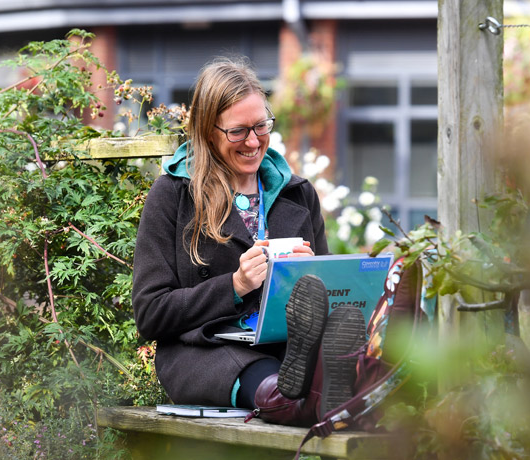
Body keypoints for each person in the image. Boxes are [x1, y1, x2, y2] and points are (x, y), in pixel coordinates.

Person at [131, 56, 365, 426]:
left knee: (328, 354)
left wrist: (308, 275)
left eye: (261, 126)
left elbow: (324, 298)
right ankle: (301, 400)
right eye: (238, 131)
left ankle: (324, 389)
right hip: (205, 352)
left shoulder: (298, 194)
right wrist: (236, 285)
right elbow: (150, 312)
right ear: (209, 131)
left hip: (288, 348)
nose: (254, 141)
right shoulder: (173, 195)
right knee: (273, 383)